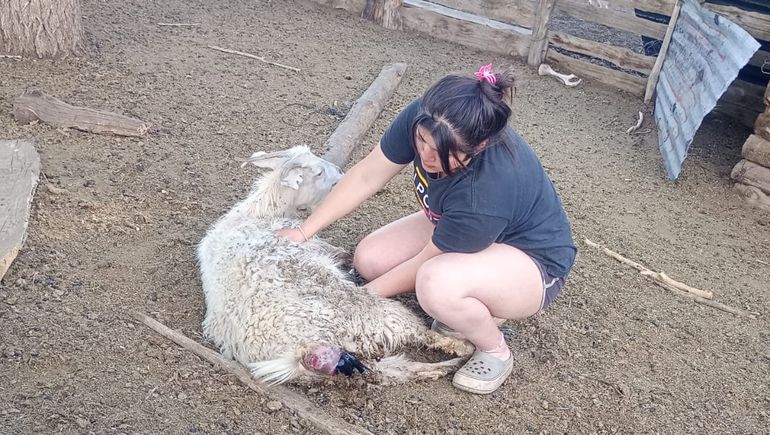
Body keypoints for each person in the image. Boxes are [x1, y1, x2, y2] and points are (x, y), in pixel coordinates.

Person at [276, 64, 576, 394]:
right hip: (456, 227)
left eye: (443, 153)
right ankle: (474, 299)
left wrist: (355, 300)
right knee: (370, 260)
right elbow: (367, 175)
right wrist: (305, 231)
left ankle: (495, 349)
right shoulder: (430, 117)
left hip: (531, 262)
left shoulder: (485, 191)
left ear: (480, 145)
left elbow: (424, 262)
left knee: (433, 283)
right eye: (422, 141)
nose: (426, 156)